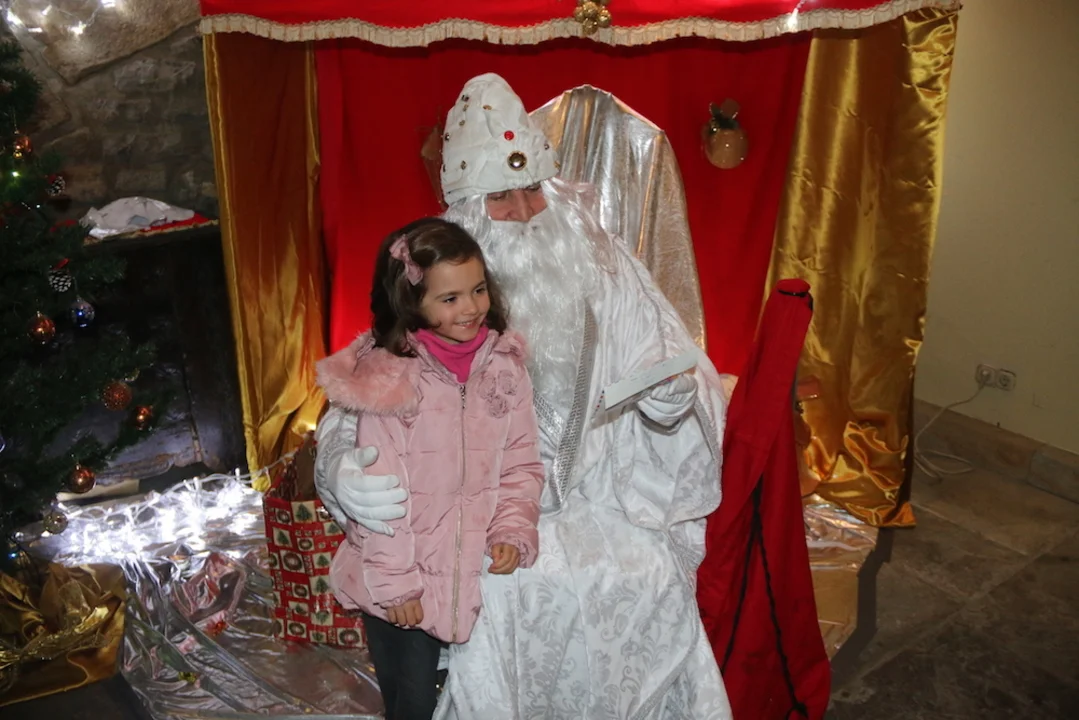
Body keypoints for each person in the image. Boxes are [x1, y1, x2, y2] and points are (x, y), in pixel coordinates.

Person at [316, 73, 733, 718]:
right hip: (466, 514)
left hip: (599, 498)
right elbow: (364, 390)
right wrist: (340, 469)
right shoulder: (434, 278)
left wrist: (672, 403)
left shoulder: (601, 261)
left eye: (533, 188)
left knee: (644, 581)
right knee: (501, 600)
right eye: (500, 196)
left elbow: (667, 356)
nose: (525, 210)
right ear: (467, 210)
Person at [316, 217, 544, 720]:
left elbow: (521, 462)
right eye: (450, 298)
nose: (471, 308)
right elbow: (381, 496)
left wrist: (512, 527)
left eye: (478, 290)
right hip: (402, 579)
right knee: (410, 702)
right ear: (411, 300)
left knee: (453, 695)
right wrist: (397, 584)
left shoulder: (504, 366)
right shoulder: (393, 377)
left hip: (463, 572)